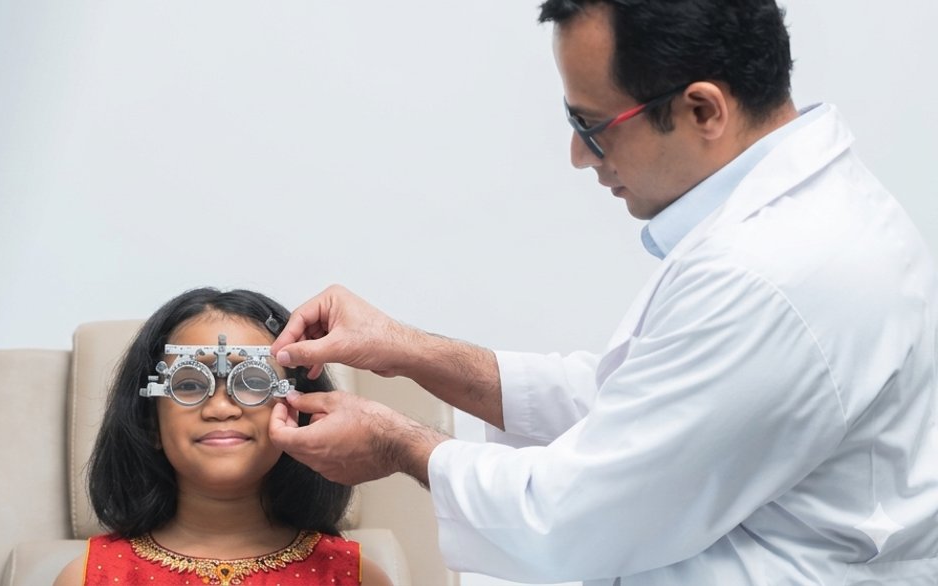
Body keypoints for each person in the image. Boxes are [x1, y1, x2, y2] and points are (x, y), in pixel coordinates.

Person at [262, 1, 938, 584]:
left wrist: (396, 443)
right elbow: (631, 405)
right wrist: (404, 349)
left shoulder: (777, 269)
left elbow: (570, 512)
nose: (580, 157)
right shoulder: (794, 225)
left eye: (592, 127)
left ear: (703, 108)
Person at [56, 288, 391, 585]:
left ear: (298, 412)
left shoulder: (354, 577)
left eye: (253, 382)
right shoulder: (89, 577)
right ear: (150, 424)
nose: (220, 408)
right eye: (188, 385)